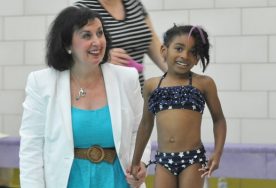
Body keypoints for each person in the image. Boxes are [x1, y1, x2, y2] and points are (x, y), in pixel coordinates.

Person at [19, 6, 151, 188]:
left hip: (118, 181)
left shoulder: (127, 78)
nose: (97, 41)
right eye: (86, 35)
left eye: (100, 33)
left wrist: (140, 163)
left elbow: (140, 129)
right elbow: (31, 148)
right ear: (67, 45)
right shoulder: (41, 83)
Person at [130, 25, 227, 188]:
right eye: (179, 48)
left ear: (197, 58)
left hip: (192, 160)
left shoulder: (203, 83)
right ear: (164, 50)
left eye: (192, 52)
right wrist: (135, 161)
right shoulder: (151, 85)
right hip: (163, 160)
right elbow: (146, 125)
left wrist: (217, 154)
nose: (185, 55)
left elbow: (219, 120)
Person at [74, 0, 168, 89]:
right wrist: (102, 58)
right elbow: (73, 57)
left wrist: (176, 73)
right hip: (107, 95)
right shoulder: (81, 9)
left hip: (137, 91)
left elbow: (153, 41)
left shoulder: (134, 3)